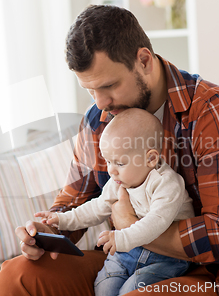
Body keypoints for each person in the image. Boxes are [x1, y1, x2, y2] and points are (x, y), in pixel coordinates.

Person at [0, 5, 219, 296]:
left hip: (208, 273)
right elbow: (75, 201)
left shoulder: (212, 111)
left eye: (109, 86)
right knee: (17, 276)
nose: (100, 103)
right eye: (90, 90)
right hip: (125, 258)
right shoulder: (98, 120)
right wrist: (45, 230)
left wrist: (129, 225)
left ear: (144, 60)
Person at [35, 108, 195, 296]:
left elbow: (157, 222)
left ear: (151, 158)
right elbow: (95, 208)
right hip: (125, 254)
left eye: (119, 163)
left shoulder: (166, 183)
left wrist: (121, 237)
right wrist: (61, 219)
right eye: (108, 161)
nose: (111, 170)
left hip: (166, 258)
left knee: (131, 290)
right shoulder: (119, 181)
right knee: (104, 288)